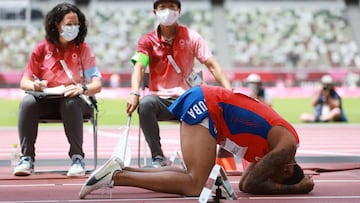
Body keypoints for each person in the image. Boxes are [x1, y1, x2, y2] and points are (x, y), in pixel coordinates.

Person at [79, 85, 314, 199]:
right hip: (208, 105)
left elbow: (245, 181)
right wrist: (296, 189)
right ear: (286, 168)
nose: (269, 175)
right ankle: (115, 178)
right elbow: (251, 184)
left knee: (189, 174)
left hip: (207, 104)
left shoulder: (273, 151)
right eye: (275, 176)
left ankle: (121, 169)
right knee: (195, 185)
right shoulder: (287, 146)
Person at [126, 0, 232, 167]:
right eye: (162, 7)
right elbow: (139, 67)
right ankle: (158, 158)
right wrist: (134, 93)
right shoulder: (147, 41)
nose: (167, 11)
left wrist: (229, 91)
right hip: (160, 100)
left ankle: (211, 155)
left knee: (214, 104)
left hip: (187, 99)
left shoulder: (192, 37)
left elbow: (212, 65)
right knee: (145, 104)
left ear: (179, 11)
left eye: (172, 7)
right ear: (155, 12)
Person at [14, 2, 102, 177]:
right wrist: (35, 85)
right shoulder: (41, 48)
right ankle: (27, 158)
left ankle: (77, 158)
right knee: (27, 102)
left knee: (70, 102)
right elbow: (24, 81)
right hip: (48, 101)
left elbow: (97, 85)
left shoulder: (84, 49)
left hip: (76, 102)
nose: (74, 28)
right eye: (69, 24)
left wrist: (82, 88)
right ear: (56, 24)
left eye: (76, 24)